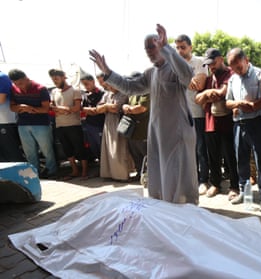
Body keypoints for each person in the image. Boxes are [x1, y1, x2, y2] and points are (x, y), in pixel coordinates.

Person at [89, 24, 198, 204]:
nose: (148, 51)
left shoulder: (175, 68)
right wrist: (107, 72)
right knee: (159, 176)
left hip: (177, 133)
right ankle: (163, 211)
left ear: (162, 45)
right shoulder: (150, 73)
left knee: (178, 177)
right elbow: (129, 87)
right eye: (146, 48)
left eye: (152, 46)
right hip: (157, 133)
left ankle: (183, 214)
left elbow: (187, 76)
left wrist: (168, 49)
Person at [225, 47, 261, 211]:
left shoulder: (260, 75)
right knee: (242, 161)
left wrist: (252, 106)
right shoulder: (233, 79)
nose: (236, 71)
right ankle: (246, 194)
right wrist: (238, 104)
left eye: (238, 66)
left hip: (257, 123)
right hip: (239, 124)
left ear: (246, 60)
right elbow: (228, 102)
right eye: (232, 68)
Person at [195, 48, 240, 200]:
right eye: (208, 65)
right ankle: (215, 183)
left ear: (221, 59)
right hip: (209, 122)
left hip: (227, 123)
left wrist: (207, 95)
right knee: (212, 156)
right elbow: (198, 100)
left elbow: (222, 93)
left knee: (230, 157)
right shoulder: (209, 79)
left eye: (213, 63)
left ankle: (235, 186)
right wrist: (207, 95)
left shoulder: (231, 74)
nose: (211, 67)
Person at [174, 34, 209, 193]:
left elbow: (198, 85)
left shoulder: (200, 62)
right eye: (177, 48)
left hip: (196, 112)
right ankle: (191, 179)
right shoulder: (173, 65)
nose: (180, 51)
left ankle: (204, 180)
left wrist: (180, 81)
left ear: (190, 47)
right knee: (185, 150)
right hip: (179, 114)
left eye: (183, 47)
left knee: (200, 148)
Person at [8, 69, 57, 178]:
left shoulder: (40, 89)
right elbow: (12, 107)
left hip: (41, 124)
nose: (19, 86)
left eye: (20, 83)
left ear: (26, 78)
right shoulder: (13, 90)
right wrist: (20, 107)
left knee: (47, 150)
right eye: (15, 84)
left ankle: (52, 171)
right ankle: (34, 174)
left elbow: (46, 109)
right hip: (23, 125)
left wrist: (30, 109)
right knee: (29, 152)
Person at [49, 69, 89, 180]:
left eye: (56, 78)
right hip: (60, 125)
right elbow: (52, 107)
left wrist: (63, 109)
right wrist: (65, 110)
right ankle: (74, 170)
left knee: (79, 147)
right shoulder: (53, 92)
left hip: (74, 124)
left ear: (63, 77)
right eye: (53, 79)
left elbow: (77, 108)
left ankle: (85, 171)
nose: (55, 81)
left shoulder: (75, 90)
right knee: (67, 149)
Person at [95, 80, 133, 182]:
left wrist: (105, 107)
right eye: (108, 85)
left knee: (119, 149)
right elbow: (97, 109)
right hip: (108, 123)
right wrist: (107, 107)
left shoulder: (123, 93)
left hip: (119, 122)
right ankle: (110, 173)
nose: (110, 87)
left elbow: (116, 108)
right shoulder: (107, 94)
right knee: (108, 149)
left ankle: (121, 175)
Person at [121, 71, 150, 181]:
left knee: (147, 155)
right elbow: (125, 104)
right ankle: (139, 173)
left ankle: (149, 176)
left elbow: (141, 108)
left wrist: (129, 109)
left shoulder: (146, 91)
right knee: (135, 154)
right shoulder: (132, 93)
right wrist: (126, 107)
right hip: (133, 131)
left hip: (144, 130)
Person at [0, 70, 24, 162]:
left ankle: (19, 175)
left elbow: (1, 99)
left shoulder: (2, 77)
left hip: (6, 121)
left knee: (11, 153)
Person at [80, 74, 105, 162]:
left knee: (102, 147)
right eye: (83, 85)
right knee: (93, 148)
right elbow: (83, 109)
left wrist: (87, 110)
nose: (85, 87)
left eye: (87, 84)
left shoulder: (101, 93)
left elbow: (95, 111)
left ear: (93, 81)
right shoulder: (86, 95)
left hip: (99, 124)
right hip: (89, 125)